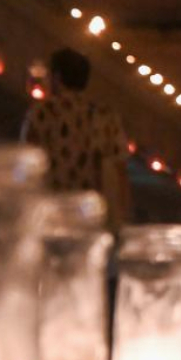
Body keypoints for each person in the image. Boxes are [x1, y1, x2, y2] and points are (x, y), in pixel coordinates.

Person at [22, 48, 130, 232]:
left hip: (51, 217)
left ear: (56, 77)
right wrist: (123, 217)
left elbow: (26, 167)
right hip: (90, 219)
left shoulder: (41, 114)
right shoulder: (106, 117)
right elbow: (120, 172)